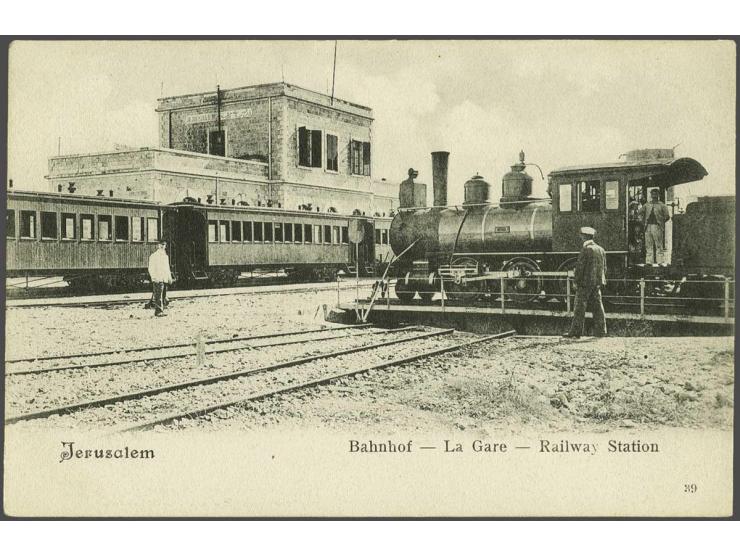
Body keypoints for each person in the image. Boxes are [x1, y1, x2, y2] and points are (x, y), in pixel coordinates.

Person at [564, 226, 607, 338]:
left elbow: (580, 269)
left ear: (584, 237)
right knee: (598, 307)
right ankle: (601, 331)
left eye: (581, 236)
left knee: (579, 308)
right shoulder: (601, 249)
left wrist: (575, 281)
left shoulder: (586, 250)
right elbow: (604, 268)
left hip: (585, 283)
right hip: (597, 283)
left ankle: (575, 332)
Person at [638, 188, 671, 264]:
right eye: (653, 194)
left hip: (657, 227)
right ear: (651, 195)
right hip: (648, 227)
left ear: (658, 195)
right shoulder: (647, 205)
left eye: (656, 194)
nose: (654, 195)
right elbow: (639, 212)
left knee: (658, 245)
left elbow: (667, 216)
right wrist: (642, 221)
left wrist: (661, 223)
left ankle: (660, 262)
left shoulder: (662, 205)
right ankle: (649, 262)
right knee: (648, 245)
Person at [148, 240, 173, 317]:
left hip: (164, 278)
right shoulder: (154, 256)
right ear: (158, 245)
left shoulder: (166, 257)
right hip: (158, 278)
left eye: (164, 245)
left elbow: (167, 268)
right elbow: (151, 268)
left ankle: (161, 310)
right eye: (161, 245)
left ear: (165, 246)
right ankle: (158, 311)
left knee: (163, 295)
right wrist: (153, 277)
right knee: (158, 295)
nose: (162, 246)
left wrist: (169, 277)